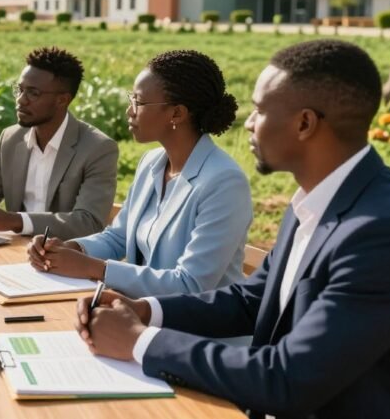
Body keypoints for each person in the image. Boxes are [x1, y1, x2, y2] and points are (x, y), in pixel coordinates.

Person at [76, 40, 390, 418]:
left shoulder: (381, 232)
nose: (247, 122)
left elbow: (290, 378)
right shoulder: (310, 202)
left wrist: (141, 342)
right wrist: (144, 309)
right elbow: (251, 300)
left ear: (304, 123)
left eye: (260, 110)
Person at [28, 50, 252, 298]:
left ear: (177, 113)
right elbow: (118, 237)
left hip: (194, 331)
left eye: (138, 101)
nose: (129, 111)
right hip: (143, 315)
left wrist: (95, 268)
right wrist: (71, 248)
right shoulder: (151, 163)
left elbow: (190, 283)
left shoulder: (224, 182)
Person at [0, 47, 118, 239]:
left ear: (62, 100)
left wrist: (14, 221)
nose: (21, 100)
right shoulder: (10, 139)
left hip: (65, 259)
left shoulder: (98, 148)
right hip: (12, 253)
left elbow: (88, 222)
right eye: (20, 90)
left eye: (33, 93)